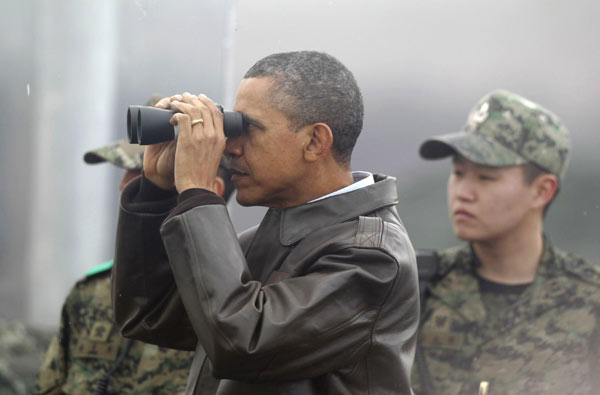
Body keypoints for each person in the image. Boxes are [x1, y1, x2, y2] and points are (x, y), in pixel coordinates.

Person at [112, 51, 419, 394]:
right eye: (232, 126)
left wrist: (198, 193)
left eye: (249, 128)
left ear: (315, 141)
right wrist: (157, 192)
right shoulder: (261, 242)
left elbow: (243, 342)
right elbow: (150, 314)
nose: (230, 147)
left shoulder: (371, 257)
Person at [412, 89, 600, 395]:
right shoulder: (416, 289)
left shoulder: (589, 301)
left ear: (542, 191)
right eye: (458, 173)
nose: (463, 192)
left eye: (486, 177)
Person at [35, 138, 234, 395]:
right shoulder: (93, 293)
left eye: (149, 176)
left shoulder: (234, 303)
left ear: (209, 189)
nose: (123, 187)